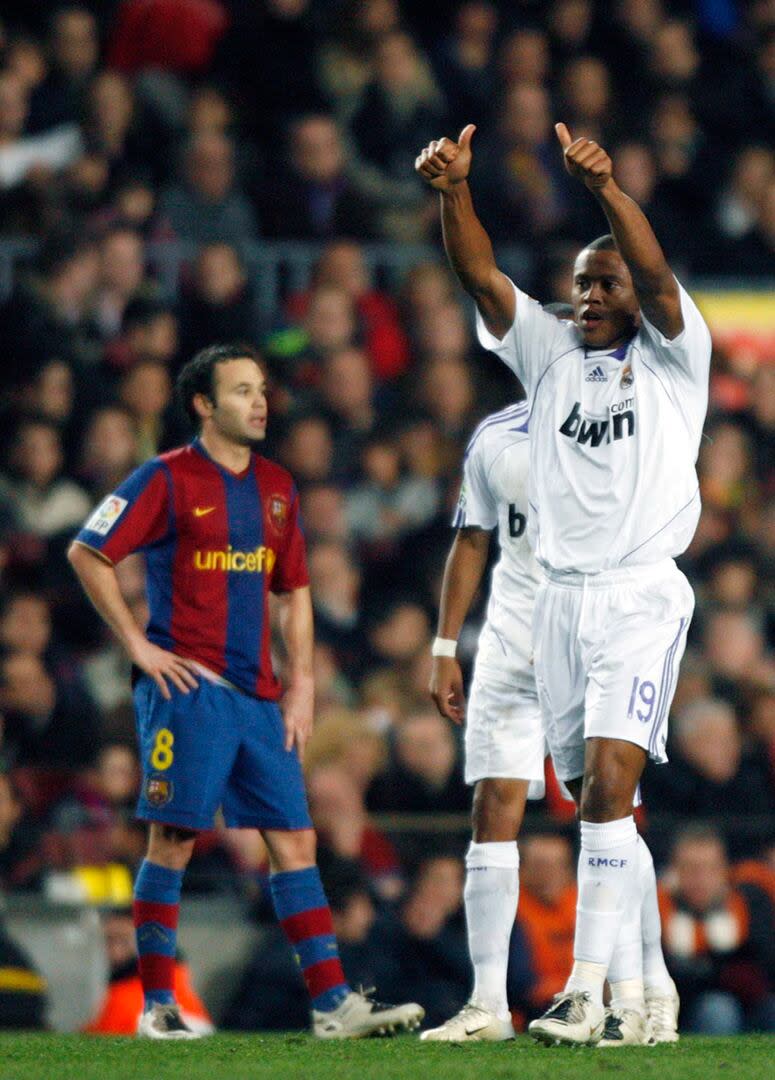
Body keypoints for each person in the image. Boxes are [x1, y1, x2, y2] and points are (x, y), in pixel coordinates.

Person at [415, 119, 711, 1046]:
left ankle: (584, 991)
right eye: (580, 282)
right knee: (597, 806)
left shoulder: (673, 361)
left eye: (603, 281)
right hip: (557, 603)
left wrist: (605, 191)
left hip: (638, 594)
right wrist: (452, 193)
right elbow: (477, 276)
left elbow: (659, 278)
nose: (586, 294)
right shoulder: (546, 360)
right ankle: (646, 995)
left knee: (615, 785)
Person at [67, 342, 423, 1040]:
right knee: (172, 842)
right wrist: (137, 644)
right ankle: (159, 1007)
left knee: (296, 842)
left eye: (261, 389)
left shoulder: (278, 488)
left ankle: (331, 1007)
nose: (260, 402)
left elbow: (293, 592)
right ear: (203, 404)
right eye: (241, 391)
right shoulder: (164, 479)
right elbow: (88, 550)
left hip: (260, 698)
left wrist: (303, 684)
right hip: (188, 690)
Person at [420, 399, 545, 1042]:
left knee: (609, 810)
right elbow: (472, 538)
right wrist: (445, 648)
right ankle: (488, 1003)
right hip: (511, 632)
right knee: (493, 800)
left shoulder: (627, 421)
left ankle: (638, 991)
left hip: (599, 628)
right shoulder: (497, 434)